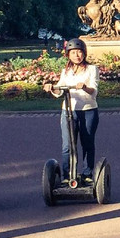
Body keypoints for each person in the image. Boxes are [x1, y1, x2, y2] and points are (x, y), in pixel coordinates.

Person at [43, 38, 99, 182]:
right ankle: (67, 176)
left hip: (88, 111)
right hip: (68, 111)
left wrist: (85, 87)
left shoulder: (92, 69)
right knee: (68, 145)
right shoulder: (66, 71)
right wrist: (52, 87)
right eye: (73, 53)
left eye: (79, 52)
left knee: (87, 143)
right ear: (68, 54)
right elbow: (60, 89)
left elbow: (94, 91)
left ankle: (87, 175)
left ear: (84, 53)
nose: (77, 55)